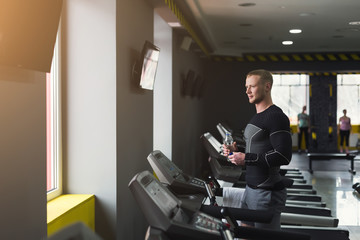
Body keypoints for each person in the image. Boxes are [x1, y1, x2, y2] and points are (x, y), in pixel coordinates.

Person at [223, 69, 292, 230]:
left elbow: (283, 155)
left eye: (252, 86)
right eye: (246, 87)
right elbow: (260, 148)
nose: (247, 91)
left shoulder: (276, 117)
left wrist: (245, 158)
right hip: (250, 190)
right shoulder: (257, 116)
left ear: (267, 87)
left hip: (266, 194)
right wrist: (237, 150)